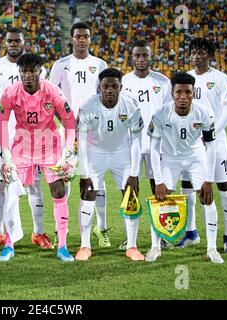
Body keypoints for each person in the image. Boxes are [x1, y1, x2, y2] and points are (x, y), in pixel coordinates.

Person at [0, 54, 76, 262]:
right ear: (19, 72)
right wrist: (5, 154)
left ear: (40, 71)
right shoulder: (10, 93)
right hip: (22, 147)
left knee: (58, 191)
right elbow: (1, 123)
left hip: (49, 146)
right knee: (12, 191)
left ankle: (62, 246)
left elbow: (69, 122)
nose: (28, 75)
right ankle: (8, 244)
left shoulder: (53, 91)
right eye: (24, 71)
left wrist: (68, 154)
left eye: (33, 70)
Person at [145, 72, 224, 264]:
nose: (183, 97)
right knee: (160, 199)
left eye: (187, 92)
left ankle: (212, 248)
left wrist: (209, 179)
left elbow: (211, 146)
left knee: (207, 199)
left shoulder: (204, 113)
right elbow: (154, 149)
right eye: (178, 92)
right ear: (172, 93)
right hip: (170, 159)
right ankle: (155, 247)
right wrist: (159, 181)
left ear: (193, 93)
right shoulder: (160, 114)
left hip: (196, 158)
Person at [0, 27, 52, 251]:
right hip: (3, 133)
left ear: (24, 42)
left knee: (34, 184)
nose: (13, 44)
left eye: (18, 40)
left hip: (30, 135)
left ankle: (39, 232)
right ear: (5, 43)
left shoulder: (36, 69)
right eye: (10, 41)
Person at [49, 22, 109, 248]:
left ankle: (100, 229)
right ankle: (60, 231)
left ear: (90, 39)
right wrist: (66, 124)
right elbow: (51, 97)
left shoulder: (99, 64)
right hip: (67, 134)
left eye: (85, 36)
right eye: (78, 36)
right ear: (72, 39)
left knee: (97, 182)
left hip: (94, 133)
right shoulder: (60, 65)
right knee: (64, 181)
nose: (82, 39)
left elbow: (105, 97)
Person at [77, 68, 144, 261]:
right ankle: (85, 246)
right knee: (88, 195)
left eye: (114, 86)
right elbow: (81, 141)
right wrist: (84, 174)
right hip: (94, 154)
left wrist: (133, 173)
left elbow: (136, 141)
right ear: (99, 86)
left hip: (121, 154)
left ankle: (132, 246)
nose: (109, 90)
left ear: (121, 87)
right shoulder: (88, 107)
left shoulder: (130, 105)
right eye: (105, 86)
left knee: (130, 196)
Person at [177, 38, 227, 254]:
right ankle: (191, 232)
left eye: (202, 51)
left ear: (210, 55)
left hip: (216, 142)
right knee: (187, 185)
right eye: (193, 51)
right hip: (190, 144)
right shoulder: (186, 79)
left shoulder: (220, 79)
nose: (197, 55)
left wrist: (210, 133)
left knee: (222, 185)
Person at [121, 40, 174, 251]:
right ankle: (129, 237)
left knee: (158, 188)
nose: (141, 59)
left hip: (156, 144)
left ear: (151, 57)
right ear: (131, 57)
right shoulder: (124, 81)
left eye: (145, 55)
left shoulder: (163, 81)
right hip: (130, 143)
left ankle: (162, 235)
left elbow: (169, 112)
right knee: (130, 189)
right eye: (137, 55)